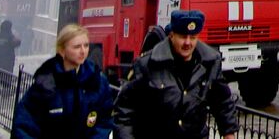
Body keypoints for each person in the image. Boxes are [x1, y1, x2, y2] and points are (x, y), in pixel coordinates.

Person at [111, 10, 237, 139]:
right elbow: (124, 111)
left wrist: (228, 132)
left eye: (192, 37)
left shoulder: (210, 63)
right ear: (171, 35)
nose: (188, 43)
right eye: (183, 37)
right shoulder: (147, 65)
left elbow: (223, 102)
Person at [12, 24, 112, 139]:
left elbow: (104, 120)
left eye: (86, 45)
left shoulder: (97, 81)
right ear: (62, 50)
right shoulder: (46, 82)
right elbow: (24, 123)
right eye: (76, 47)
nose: (83, 51)